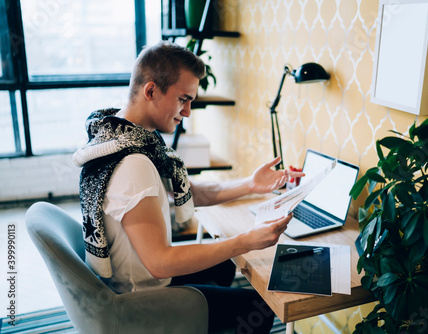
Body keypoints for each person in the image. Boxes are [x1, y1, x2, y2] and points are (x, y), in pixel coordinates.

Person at [73, 41, 304, 334]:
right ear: (151, 91)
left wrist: (250, 184)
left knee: (223, 267)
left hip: (133, 280)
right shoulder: (134, 164)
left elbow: (188, 193)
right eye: (184, 99)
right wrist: (245, 240)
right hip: (140, 300)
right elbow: (160, 263)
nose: (188, 111)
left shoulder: (120, 136)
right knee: (256, 307)